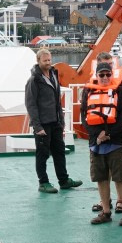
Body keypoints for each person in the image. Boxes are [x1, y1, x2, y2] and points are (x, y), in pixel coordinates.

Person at [82, 61, 122, 226]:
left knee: (120, 178)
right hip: (95, 142)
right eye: (101, 75)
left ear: (112, 75)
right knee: (101, 178)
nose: (105, 77)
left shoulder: (120, 91)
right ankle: (105, 211)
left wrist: (108, 133)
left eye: (107, 74)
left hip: (116, 141)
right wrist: (97, 135)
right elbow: (84, 115)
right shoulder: (88, 91)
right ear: (96, 76)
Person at [25, 48, 82, 193]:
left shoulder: (54, 75)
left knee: (59, 152)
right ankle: (43, 183)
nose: (48, 63)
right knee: (42, 154)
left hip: (55, 122)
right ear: (38, 61)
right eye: (45, 61)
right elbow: (31, 104)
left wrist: (61, 121)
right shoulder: (34, 80)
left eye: (49, 60)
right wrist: (37, 126)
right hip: (43, 124)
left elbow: (57, 101)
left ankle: (63, 180)